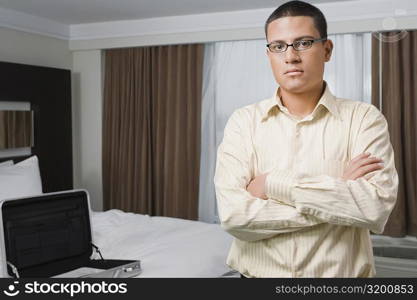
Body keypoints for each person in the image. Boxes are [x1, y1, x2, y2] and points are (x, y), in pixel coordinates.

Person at [214, 0, 398, 278]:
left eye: (303, 43)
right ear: (269, 54)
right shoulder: (243, 122)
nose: (290, 57)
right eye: (278, 46)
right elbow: (234, 217)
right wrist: (337, 197)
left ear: (327, 50)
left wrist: (271, 184)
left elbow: (374, 208)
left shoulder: (364, 119)